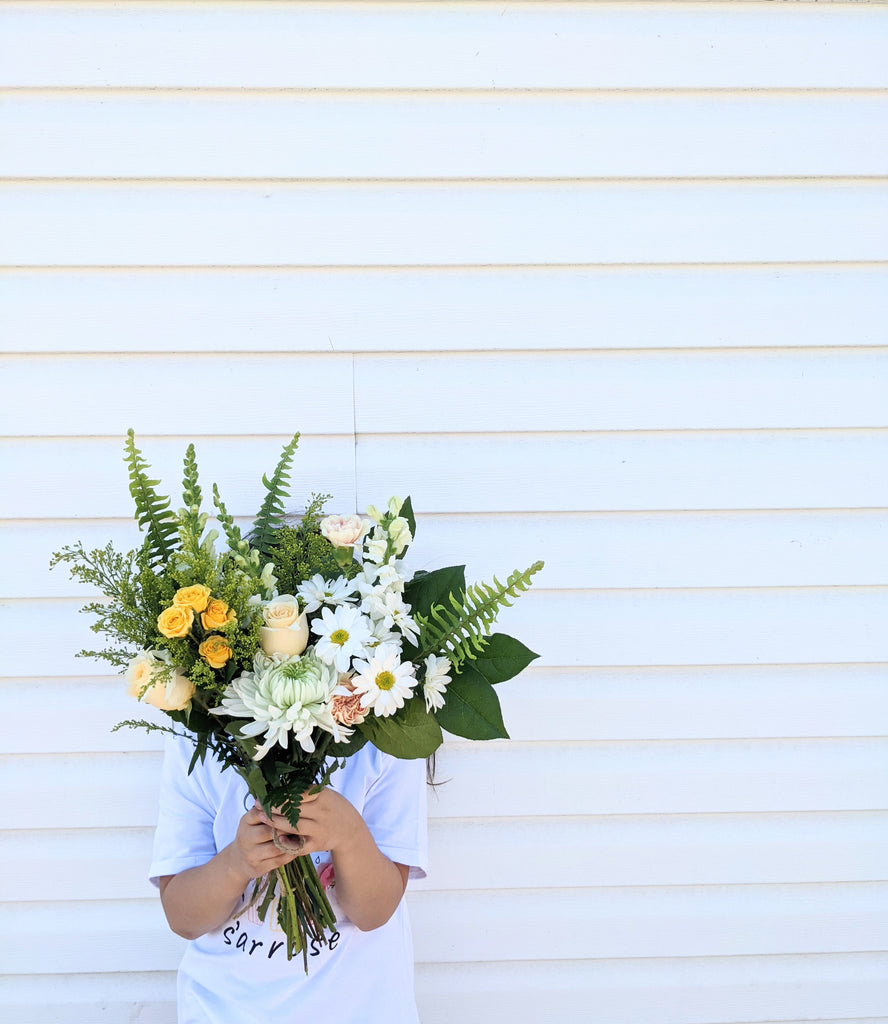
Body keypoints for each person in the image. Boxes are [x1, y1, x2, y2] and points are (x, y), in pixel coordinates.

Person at [149, 731, 429, 1023]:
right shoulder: (195, 729)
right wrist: (235, 864)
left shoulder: (390, 721)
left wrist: (349, 835)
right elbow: (182, 917)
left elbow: (374, 911)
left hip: (356, 1007)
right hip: (226, 1010)